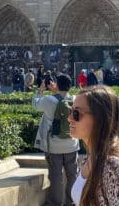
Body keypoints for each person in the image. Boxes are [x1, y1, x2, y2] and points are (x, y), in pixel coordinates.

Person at [69, 85, 119, 205]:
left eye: (76, 113)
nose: (69, 118)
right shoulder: (91, 157)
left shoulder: (113, 165)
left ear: (100, 118)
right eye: (71, 111)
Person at [34, 73, 80, 206]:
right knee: (72, 175)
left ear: (57, 85)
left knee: (56, 176)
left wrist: (41, 90)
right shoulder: (76, 99)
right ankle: (71, 202)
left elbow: (35, 104)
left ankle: (56, 203)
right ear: (70, 86)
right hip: (72, 143)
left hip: (54, 145)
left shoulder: (49, 100)